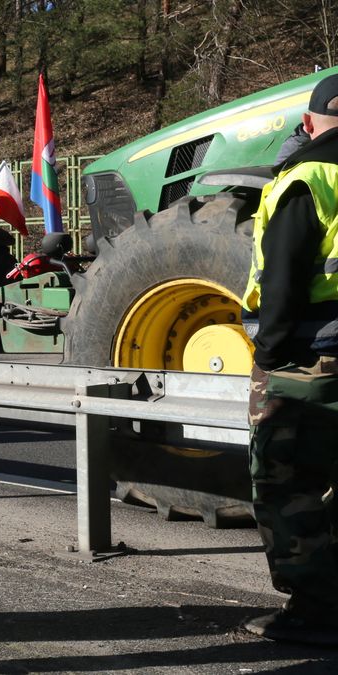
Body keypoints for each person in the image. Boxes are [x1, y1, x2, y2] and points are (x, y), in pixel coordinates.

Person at [241, 72, 338, 647]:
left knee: (286, 485)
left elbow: (281, 281)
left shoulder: (307, 179)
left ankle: (316, 610)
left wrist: (269, 355)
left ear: (308, 123)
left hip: (308, 360)